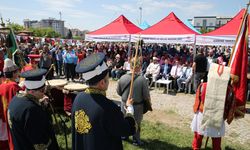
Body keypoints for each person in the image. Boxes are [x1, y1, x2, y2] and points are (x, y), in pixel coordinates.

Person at [72, 53, 137, 150]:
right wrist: (130, 109)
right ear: (102, 83)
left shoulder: (78, 98)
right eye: (108, 78)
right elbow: (127, 129)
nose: (109, 80)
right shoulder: (109, 108)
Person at [7, 69, 59, 150]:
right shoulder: (31, 110)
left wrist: (40, 104)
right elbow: (41, 143)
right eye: (42, 90)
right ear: (31, 91)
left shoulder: (15, 99)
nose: (44, 93)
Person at [117, 57, 152, 146]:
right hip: (136, 106)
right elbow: (146, 95)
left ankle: (124, 136)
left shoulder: (122, 77)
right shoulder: (142, 80)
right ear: (139, 67)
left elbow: (118, 92)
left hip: (125, 104)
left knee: (125, 120)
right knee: (136, 123)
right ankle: (136, 140)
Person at [0, 58, 21, 150]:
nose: (18, 73)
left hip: (4, 115)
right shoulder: (13, 86)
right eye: (16, 72)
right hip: (13, 116)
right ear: (13, 73)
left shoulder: (1, 85)